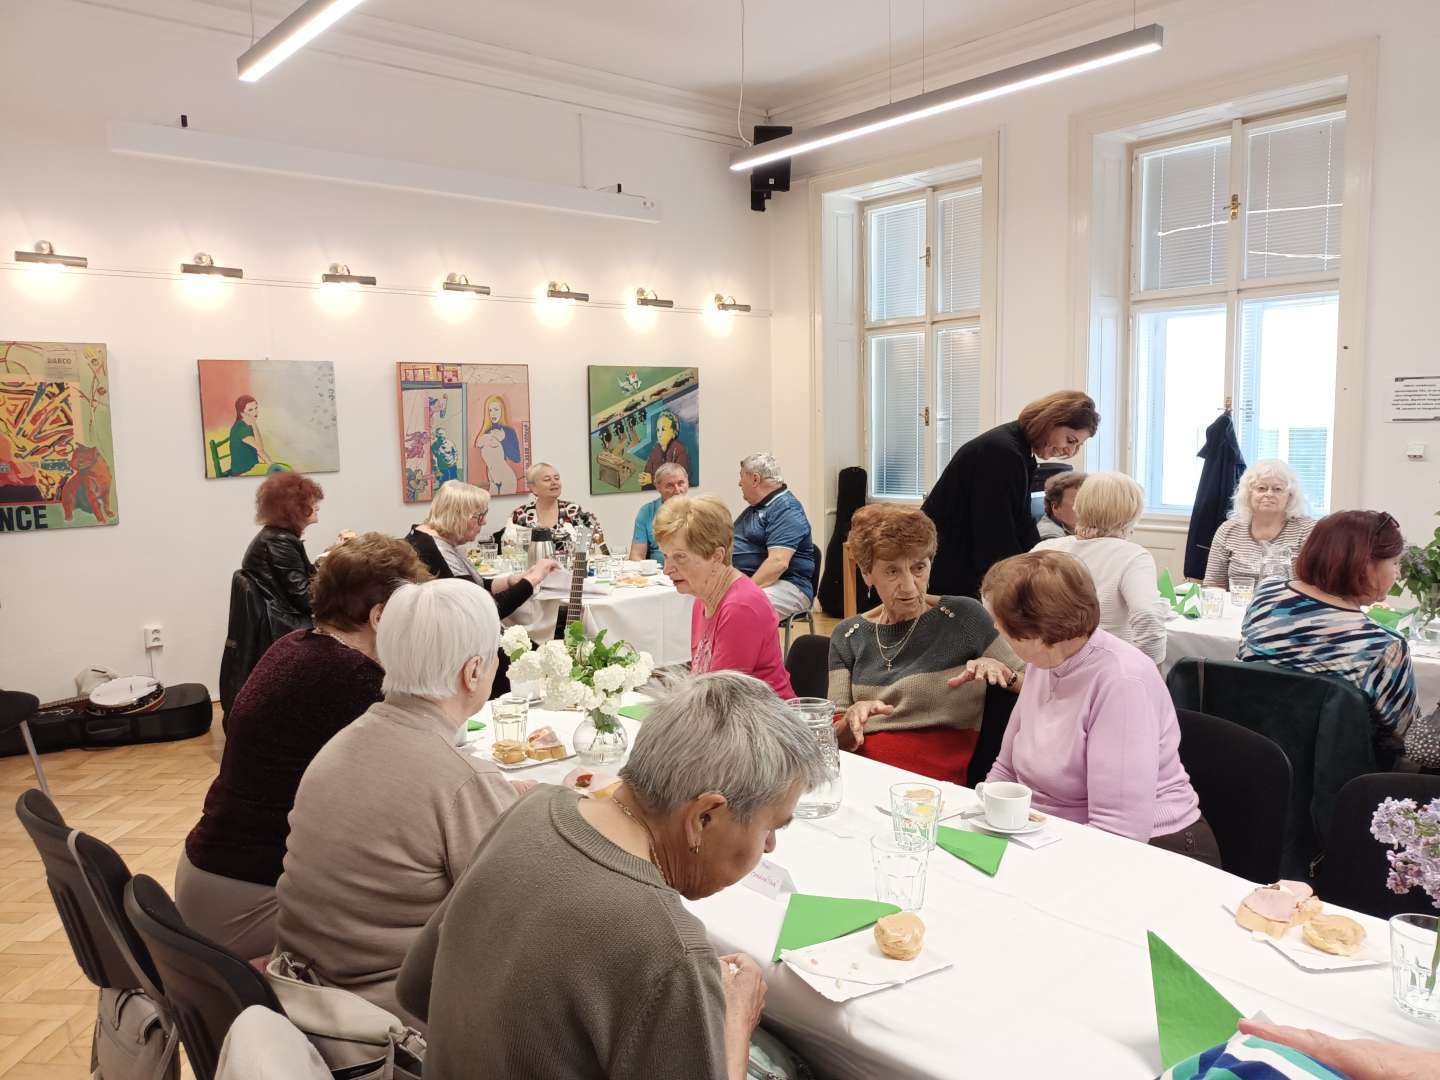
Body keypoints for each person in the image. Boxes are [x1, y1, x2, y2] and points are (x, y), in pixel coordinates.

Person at [396, 671, 823, 1080]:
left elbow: (415, 988)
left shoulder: (533, 808)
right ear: (704, 817)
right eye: (769, 828)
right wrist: (735, 1024)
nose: (770, 847)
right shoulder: (668, 948)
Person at [275, 580, 524, 1022]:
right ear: (472, 672)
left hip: (304, 992)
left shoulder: (341, 744)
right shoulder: (461, 781)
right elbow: (519, 923)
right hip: (393, 1023)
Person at [179, 534, 431, 958]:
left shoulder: (294, 646)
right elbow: (421, 780)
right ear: (380, 616)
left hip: (212, 874)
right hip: (247, 899)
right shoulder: (351, 678)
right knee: (432, 925)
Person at [981, 550, 1217, 863]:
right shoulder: (1044, 661)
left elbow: (1119, 831)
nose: (995, 628)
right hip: (1051, 835)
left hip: (1155, 849)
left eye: (1000, 622)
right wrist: (984, 821)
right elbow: (1006, 771)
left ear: (1036, 632)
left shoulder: (1123, 681)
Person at [828, 505, 1024, 783]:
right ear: (866, 573)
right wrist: (850, 720)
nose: (909, 586)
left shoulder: (963, 617)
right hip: (858, 775)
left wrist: (1005, 672)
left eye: (918, 568)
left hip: (930, 783)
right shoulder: (848, 634)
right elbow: (833, 737)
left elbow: (1038, 685)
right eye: (892, 571)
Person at [1238, 510, 1429, 762]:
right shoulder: (1382, 645)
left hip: (1252, 756)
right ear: (1365, 565)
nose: (1399, 574)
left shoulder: (1266, 595)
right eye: (1394, 563)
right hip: (1335, 773)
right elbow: (1409, 742)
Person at [923, 390, 1100, 598]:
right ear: (1050, 422)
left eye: (1077, 445)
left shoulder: (1018, 450)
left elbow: (1021, 522)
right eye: (1070, 440)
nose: (1070, 452)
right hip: (950, 567)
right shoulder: (1002, 452)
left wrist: (1044, 563)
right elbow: (995, 534)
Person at [654, 494, 795, 698]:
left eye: (680, 557)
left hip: (760, 716)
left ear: (716, 556)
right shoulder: (702, 599)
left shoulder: (740, 607)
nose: (667, 569)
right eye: (666, 556)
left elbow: (720, 699)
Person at [1035, 472, 1168, 664]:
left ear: (1079, 504)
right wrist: (1148, 669)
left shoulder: (1045, 549)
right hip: (1109, 667)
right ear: (1132, 513)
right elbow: (1148, 616)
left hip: (1051, 664)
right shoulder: (1132, 556)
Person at [405, 479, 557, 619]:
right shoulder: (434, 550)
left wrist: (512, 581)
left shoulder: (428, 536)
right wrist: (532, 579)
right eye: (480, 516)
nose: (484, 522)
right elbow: (488, 610)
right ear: (460, 517)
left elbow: (477, 586)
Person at [1203, 459, 1315, 588]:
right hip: (1238, 600)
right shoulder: (1228, 529)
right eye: (1261, 488)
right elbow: (1213, 585)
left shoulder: (1308, 530)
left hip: (1289, 601)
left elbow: (1318, 587)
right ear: (1248, 494)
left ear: (1290, 496)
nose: (1269, 494)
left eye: (1277, 489)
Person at [733, 452, 817, 620]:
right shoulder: (757, 508)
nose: (739, 483)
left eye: (742, 477)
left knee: (738, 607)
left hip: (788, 585)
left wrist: (744, 590)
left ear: (755, 479)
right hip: (754, 581)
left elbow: (778, 563)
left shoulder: (786, 509)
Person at [510, 461, 606, 554]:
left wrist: (595, 536)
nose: (554, 482)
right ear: (533, 487)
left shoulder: (573, 511)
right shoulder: (521, 515)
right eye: (547, 479)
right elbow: (509, 550)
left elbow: (592, 550)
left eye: (557, 478)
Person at [629, 461, 690, 561]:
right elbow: (636, 555)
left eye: (681, 483)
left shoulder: (699, 511)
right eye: (670, 485)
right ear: (658, 487)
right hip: (657, 570)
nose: (677, 490)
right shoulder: (647, 512)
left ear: (687, 482)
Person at [473, 394, 521, 495]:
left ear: (502, 411)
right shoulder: (486, 432)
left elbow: (516, 458)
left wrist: (503, 440)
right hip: (492, 479)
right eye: (490, 410)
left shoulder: (509, 431)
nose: (493, 413)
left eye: (496, 409)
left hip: (506, 478)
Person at [639, 409, 691, 488]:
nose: (659, 434)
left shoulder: (680, 450)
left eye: (663, 429)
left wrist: (652, 479)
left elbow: (679, 478)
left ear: (673, 433)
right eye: (658, 430)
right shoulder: (655, 450)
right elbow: (647, 472)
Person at [1035, 471, 1085, 542]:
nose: (1085, 507)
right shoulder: (1050, 536)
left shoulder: (1072, 525)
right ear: (1055, 507)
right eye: (1078, 501)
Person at [227, 395, 270, 476]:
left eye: (256, 408)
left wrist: (272, 465)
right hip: (243, 472)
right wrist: (254, 424)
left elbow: (260, 451)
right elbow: (260, 448)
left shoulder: (248, 424)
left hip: (253, 467)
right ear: (242, 413)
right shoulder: (241, 428)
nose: (255, 412)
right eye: (250, 410)